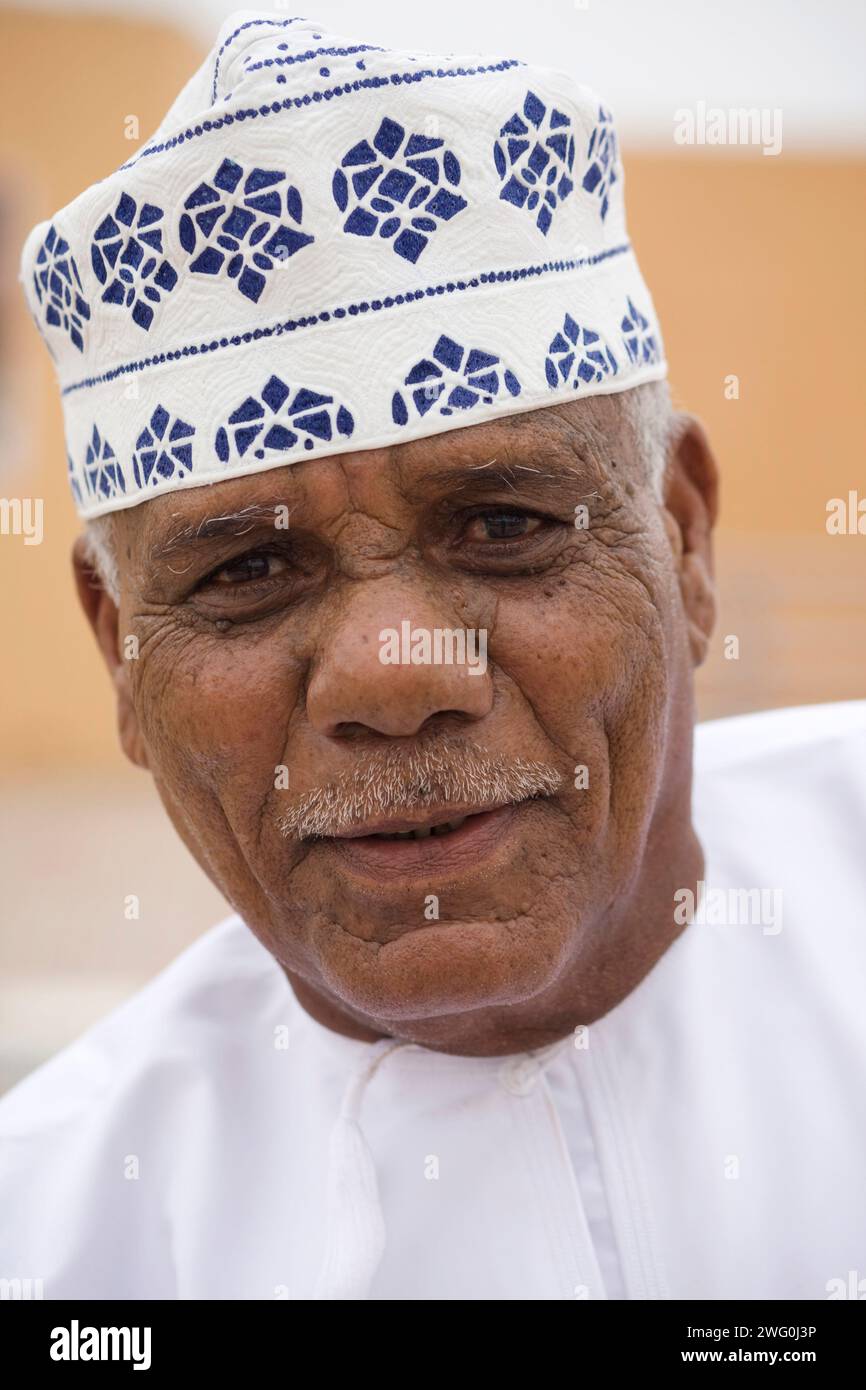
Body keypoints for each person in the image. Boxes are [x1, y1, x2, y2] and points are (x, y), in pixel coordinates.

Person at [2, 12, 864, 1301]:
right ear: (122, 653)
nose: (391, 676)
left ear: (683, 541)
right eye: (244, 575)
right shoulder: (60, 1243)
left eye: (506, 526)